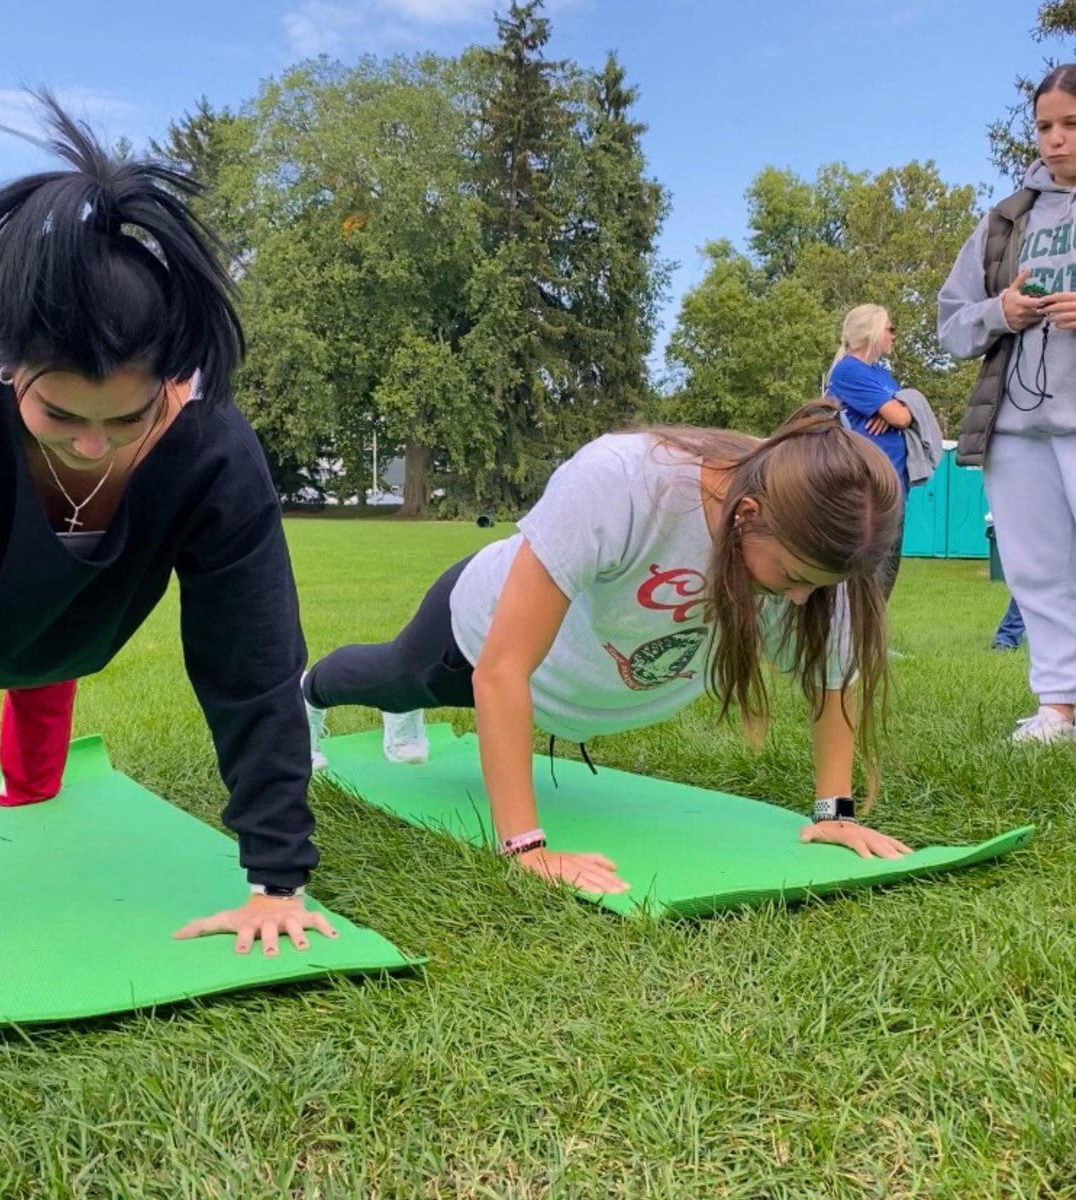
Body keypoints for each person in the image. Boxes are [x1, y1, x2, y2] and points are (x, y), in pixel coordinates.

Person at [0, 95, 335, 1021]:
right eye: (61, 417)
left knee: (58, 680)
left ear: (176, 383)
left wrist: (277, 878)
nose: (95, 447)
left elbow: (251, 665)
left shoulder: (212, 449)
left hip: (73, 640)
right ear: (10, 371)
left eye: (129, 420)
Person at [304, 401, 913, 896]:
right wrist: (524, 847)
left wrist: (834, 813)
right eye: (791, 579)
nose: (801, 602)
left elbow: (832, 679)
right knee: (388, 674)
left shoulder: (804, 530)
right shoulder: (622, 480)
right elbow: (502, 668)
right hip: (475, 640)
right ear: (745, 515)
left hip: (566, 680)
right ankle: (307, 692)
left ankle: (393, 705)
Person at [939, 63, 1076, 744]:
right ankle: (1058, 707)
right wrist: (1002, 309)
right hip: (1018, 426)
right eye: (1045, 127)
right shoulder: (1005, 219)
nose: (1055, 140)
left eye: (1070, 125)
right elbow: (950, 322)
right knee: (1037, 568)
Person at [824, 305, 912, 597]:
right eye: (890, 328)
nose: (894, 335)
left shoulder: (882, 374)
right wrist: (893, 411)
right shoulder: (849, 369)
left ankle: (872, 639)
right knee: (866, 574)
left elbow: (904, 411)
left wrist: (893, 410)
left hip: (895, 484)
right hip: (867, 489)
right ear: (872, 332)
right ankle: (853, 638)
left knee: (886, 573)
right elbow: (900, 417)